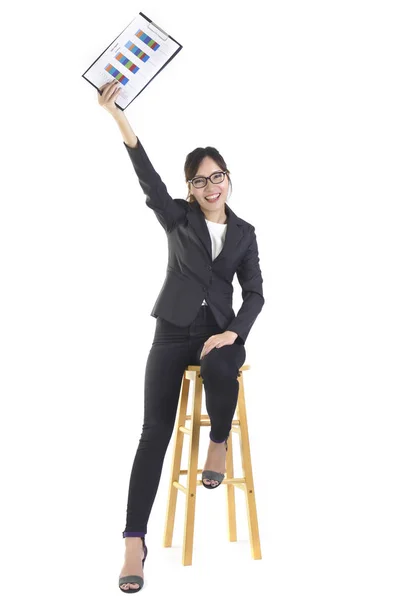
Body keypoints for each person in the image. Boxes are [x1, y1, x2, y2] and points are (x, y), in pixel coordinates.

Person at [97, 80, 265, 593]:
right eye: (200, 180)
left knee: (222, 363)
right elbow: (146, 177)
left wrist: (233, 331)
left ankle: (218, 441)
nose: (211, 186)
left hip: (219, 333)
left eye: (217, 176)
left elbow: (255, 293)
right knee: (153, 433)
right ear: (189, 187)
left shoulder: (244, 233)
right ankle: (133, 541)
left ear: (228, 178)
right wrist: (118, 118)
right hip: (171, 333)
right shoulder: (178, 218)